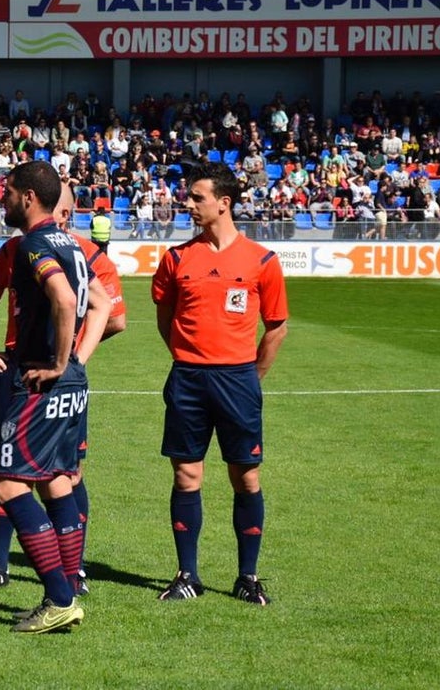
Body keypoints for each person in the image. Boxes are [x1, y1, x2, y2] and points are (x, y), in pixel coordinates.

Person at [0, 161, 111, 633]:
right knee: (57, 479)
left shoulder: (33, 243)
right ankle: (68, 588)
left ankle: (59, 597)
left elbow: (65, 300)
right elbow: (103, 302)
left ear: (29, 196)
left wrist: (56, 361)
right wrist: (74, 360)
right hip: (71, 380)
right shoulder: (71, 243)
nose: (2, 197)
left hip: (38, 379)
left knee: (10, 486)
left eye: (8, 190)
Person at [152, 162, 288, 606]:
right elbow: (164, 315)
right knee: (186, 474)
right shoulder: (176, 258)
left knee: (245, 478)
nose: (188, 204)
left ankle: (247, 576)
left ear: (223, 203)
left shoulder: (261, 261)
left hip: (237, 380)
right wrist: (186, 357)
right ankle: (186, 574)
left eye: (197, 198)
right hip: (189, 378)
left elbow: (276, 327)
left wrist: (251, 376)